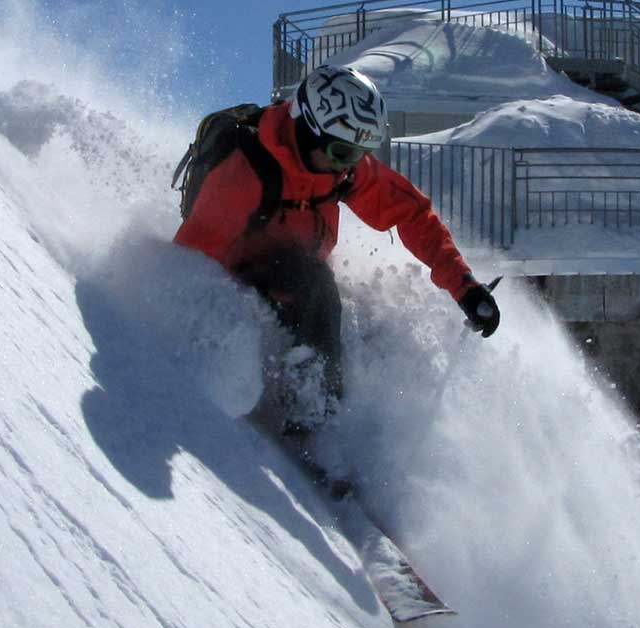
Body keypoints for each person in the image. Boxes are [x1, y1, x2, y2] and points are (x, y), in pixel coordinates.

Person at [173, 64, 500, 437]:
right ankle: (313, 426)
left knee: (362, 317)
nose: (350, 166)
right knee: (317, 288)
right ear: (308, 128)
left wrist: (465, 286)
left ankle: (367, 431)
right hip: (239, 286)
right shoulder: (243, 175)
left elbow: (413, 214)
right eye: (343, 152)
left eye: (360, 154)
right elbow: (188, 267)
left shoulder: (340, 168)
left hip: (297, 283)